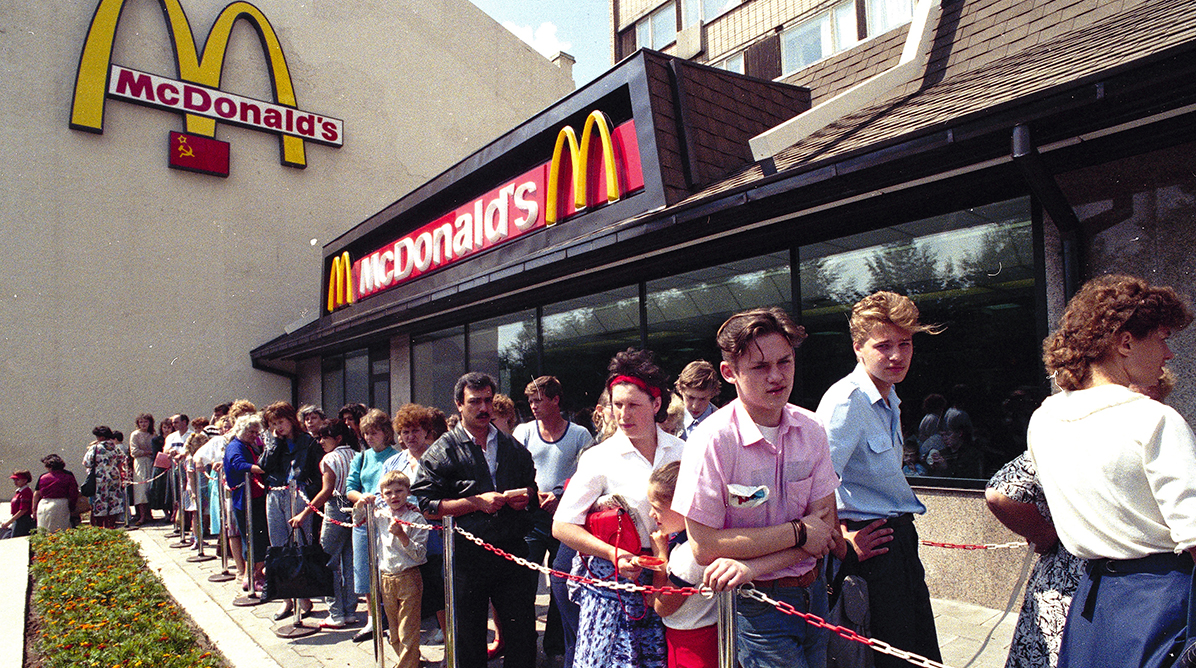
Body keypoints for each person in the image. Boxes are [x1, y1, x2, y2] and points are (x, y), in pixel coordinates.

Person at [1028, 274, 1196, 668]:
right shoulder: (1154, 419)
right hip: (1164, 601)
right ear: (1125, 342)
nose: (1168, 353)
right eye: (1162, 337)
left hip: (1093, 605)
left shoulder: (1044, 419)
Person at [674, 308, 840, 668]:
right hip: (758, 607)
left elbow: (825, 531)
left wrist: (754, 563)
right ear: (729, 373)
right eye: (760, 367)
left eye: (785, 361)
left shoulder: (811, 429)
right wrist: (799, 532)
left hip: (815, 596)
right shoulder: (711, 440)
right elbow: (704, 546)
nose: (777, 376)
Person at [815, 291, 943, 668]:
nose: (896, 356)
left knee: (917, 654)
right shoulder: (847, 401)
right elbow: (814, 485)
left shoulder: (889, 397)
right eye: (883, 345)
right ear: (858, 348)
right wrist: (842, 540)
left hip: (898, 543)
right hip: (870, 551)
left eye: (905, 344)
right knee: (886, 660)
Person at [553, 349, 684, 668]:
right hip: (611, 585)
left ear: (656, 404)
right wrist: (613, 554)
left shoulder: (682, 450)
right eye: (618, 404)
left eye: (634, 405)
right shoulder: (600, 457)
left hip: (666, 581)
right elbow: (563, 525)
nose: (623, 414)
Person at [412, 372, 540, 668]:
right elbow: (427, 505)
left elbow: (531, 486)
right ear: (459, 404)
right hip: (467, 555)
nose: (483, 408)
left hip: (512, 551)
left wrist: (528, 495)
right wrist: (475, 503)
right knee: (468, 639)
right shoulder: (442, 450)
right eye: (474, 402)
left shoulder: (511, 446)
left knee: (522, 634)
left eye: (488, 400)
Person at [513, 375, 594, 661]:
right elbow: (514, 470)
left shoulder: (580, 434)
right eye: (531, 401)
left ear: (555, 400)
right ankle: (524, 646)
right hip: (533, 516)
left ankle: (556, 647)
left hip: (567, 516)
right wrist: (533, 494)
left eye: (539, 400)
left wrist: (560, 494)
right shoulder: (523, 432)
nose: (533, 406)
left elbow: (588, 474)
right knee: (524, 581)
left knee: (563, 583)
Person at [986, 453, 1084, 668]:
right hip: (1082, 578)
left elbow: (1000, 492)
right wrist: (1045, 534)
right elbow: (1000, 494)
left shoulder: (1066, 430)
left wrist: (1045, 534)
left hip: (1063, 581)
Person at [290, 419, 360, 628]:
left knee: (327, 560)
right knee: (349, 561)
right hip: (354, 507)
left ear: (337, 438)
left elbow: (326, 490)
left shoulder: (330, 458)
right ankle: (349, 610)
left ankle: (335, 612)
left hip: (336, 506)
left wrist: (305, 513)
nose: (320, 441)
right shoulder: (357, 455)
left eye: (324, 437)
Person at [387, 404, 447, 644]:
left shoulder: (439, 457)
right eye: (404, 432)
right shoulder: (393, 462)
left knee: (437, 587)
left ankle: (448, 640)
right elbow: (384, 493)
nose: (410, 436)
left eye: (415, 430)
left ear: (426, 431)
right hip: (401, 536)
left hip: (433, 534)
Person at [260, 401, 322, 620]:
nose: (278, 427)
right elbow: (265, 465)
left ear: (291, 420)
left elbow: (317, 473)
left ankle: (303, 596)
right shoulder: (274, 442)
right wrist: (274, 443)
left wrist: (307, 493)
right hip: (275, 494)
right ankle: (287, 600)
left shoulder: (308, 442)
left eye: (281, 422)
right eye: (273, 423)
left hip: (299, 495)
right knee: (278, 546)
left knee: (299, 545)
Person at [346, 408, 400, 643]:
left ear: (386, 433)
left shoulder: (396, 456)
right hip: (364, 518)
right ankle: (372, 619)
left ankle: (391, 619)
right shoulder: (361, 457)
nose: (369, 437)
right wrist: (362, 497)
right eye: (366, 433)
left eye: (374, 432)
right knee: (365, 569)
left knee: (388, 570)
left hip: (387, 520)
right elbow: (350, 488)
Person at [366, 470, 428, 668]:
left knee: (407, 631)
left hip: (408, 577)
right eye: (388, 492)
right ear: (382, 495)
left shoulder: (415, 518)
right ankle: (412, 661)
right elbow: (358, 517)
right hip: (386, 577)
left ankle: (407, 665)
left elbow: (419, 554)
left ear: (408, 492)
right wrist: (362, 502)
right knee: (394, 635)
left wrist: (402, 535)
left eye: (399, 491)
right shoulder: (380, 514)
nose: (394, 496)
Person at [224, 414, 268, 591]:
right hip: (246, 499)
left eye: (256, 432)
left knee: (257, 538)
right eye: (251, 432)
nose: (254, 435)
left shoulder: (247, 445)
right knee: (252, 538)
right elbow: (238, 464)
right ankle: (252, 577)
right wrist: (263, 469)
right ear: (241, 430)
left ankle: (255, 574)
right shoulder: (235, 446)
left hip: (254, 496)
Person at [83, 425, 127, 529]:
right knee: (114, 501)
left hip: (100, 479)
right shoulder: (116, 448)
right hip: (114, 478)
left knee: (100, 502)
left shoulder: (95, 448)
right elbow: (122, 462)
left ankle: (100, 527)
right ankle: (111, 525)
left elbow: (86, 462)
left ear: (101, 437)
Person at [32, 454, 79, 534]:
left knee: (44, 530)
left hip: (43, 504)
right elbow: (73, 493)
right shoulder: (68, 475)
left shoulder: (43, 477)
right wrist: (72, 507)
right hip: (60, 504)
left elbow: (37, 494)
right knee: (61, 530)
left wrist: (34, 509)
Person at [675, 361, 720, 440]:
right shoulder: (668, 419)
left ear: (713, 393)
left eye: (703, 399)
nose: (695, 406)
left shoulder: (724, 423)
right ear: (679, 389)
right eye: (690, 398)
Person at [129, 414, 155, 526]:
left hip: (151, 463)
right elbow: (134, 452)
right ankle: (142, 515)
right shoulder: (135, 435)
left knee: (150, 488)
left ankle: (149, 514)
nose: (143, 424)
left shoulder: (153, 435)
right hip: (140, 463)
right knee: (141, 489)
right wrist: (148, 452)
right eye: (141, 422)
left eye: (145, 422)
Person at [3, 470, 35, 537]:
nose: (15, 482)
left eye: (17, 480)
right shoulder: (19, 492)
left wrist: (8, 523)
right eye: (14, 480)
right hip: (17, 520)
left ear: (25, 480)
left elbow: (23, 510)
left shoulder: (25, 492)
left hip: (23, 520)